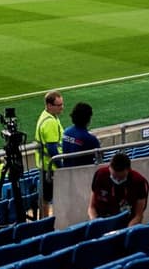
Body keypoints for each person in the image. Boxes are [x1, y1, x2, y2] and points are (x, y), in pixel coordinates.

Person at [88, 152, 149, 227]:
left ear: (128, 170)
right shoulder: (100, 175)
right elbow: (91, 207)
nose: (117, 179)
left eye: (121, 178)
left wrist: (127, 231)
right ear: (109, 168)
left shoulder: (138, 181)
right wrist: (95, 222)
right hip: (103, 222)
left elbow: (139, 215)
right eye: (114, 176)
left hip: (127, 224)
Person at [35, 90, 65, 218]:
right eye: (58, 105)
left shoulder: (49, 117)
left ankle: (45, 221)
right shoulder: (50, 122)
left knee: (46, 197)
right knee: (50, 197)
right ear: (49, 105)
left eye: (62, 104)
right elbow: (53, 149)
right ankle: (47, 222)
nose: (62, 107)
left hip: (47, 166)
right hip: (51, 168)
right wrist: (62, 168)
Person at [61, 102, 100, 167]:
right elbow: (100, 156)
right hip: (84, 171)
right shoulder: (90, 139)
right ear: (88, 118)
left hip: (67, 169)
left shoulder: (66, 132)